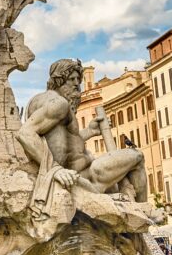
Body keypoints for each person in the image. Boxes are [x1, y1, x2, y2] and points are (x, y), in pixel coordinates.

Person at [17, 58, 148, 219]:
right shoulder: (59, 104)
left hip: (82, 170)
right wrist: (54, 170)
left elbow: (64, 143)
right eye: (71, 79)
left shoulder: (40, 100)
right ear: (59, 80)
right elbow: (25, 133)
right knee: (137, 156)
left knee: (119, 184)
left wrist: (90, 131)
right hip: (88, 175)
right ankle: (144, 210)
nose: (76, 85)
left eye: (78, 80)